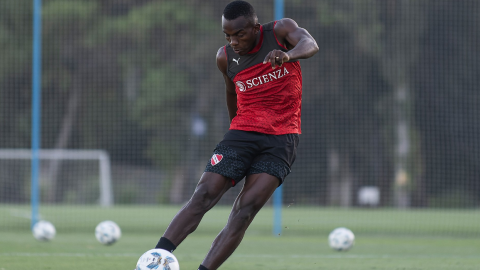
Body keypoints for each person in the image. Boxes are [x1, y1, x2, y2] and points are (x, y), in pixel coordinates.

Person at [154, 1, 318, 269]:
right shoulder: (225, 57)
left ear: (255, 28)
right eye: (227, 35)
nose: (233, 41)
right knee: (203, 194)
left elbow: (310, 44)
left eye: (239, 34)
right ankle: (155, 258)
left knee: (244, 211)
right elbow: (232, 93)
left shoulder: (280, 31)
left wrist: (288, 55)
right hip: (241, 134)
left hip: (281, 139)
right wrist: (235, 132)